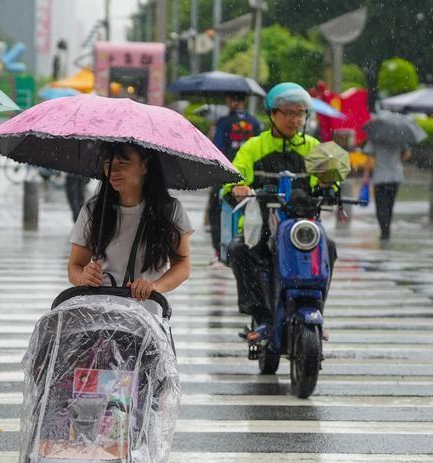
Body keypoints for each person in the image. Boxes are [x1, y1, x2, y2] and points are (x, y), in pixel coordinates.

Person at [224, 82, 334, 344]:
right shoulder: (253, 147)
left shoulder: (314, 148)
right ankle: (262, 317)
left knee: (329, 247)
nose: (294, 119)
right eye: (287, 112)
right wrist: (238, 188)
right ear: (272, 114)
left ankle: (318, 309)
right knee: (238, 250)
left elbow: (331, 183)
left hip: (303, 229)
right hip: (262, 226)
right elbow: (232, 182)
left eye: (299, 113)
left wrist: (330, 186)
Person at [67, 143, 193, 304]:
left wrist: (154, 287)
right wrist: (83, 277)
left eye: (122, 163)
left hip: (147, 317)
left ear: (145, 166)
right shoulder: (93, 209)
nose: (113, 171)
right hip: (100, 313)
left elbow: (182, 266)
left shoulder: (170, 210)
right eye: (108, 163)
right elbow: (74, 266)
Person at [206, 93, 261, 256]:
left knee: (216, 207)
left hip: (227, 171)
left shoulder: (224, 122)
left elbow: (217, 148)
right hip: (249, 173)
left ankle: (220, 248)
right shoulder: (254, 122)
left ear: (229, 100)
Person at [362, 134, 410, 240]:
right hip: (395, 176)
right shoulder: (399, 136)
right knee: (390, 204)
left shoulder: (375, 137)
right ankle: (387, 229)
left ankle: (384, 230)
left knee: (380, 206)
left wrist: (366, 175)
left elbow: (369, 157)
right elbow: (406, 154)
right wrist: (397, 156)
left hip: (380, 177)